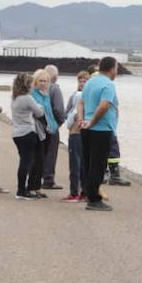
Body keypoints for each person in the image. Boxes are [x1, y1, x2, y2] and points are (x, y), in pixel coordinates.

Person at [78, 56, 120, 212]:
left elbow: (81, 102)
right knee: (98, 165)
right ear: (112, 69)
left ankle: (89, 194)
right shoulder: (108, 84)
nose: (117, 72)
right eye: (116, 68)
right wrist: (93, 122)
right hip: (101, 130)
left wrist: (82, 119)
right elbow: (103, 106)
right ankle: (94, 199)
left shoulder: (90, 82)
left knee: (88, 163)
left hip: (86, 129)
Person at [10, 72, 46, 200]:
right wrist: (41, 105)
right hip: (27, 132)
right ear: (27, 85)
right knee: (27, 162)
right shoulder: (27, 98)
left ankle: (22, 188)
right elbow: (39, 112)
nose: (32, 86)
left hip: (17, 133)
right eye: (31, 83)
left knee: (23, 161)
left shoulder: (14, 97)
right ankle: (21, 190)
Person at [29, 69, 59, 196]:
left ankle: (37, 187)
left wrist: (55, 126)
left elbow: (50, 113)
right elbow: (37, 114)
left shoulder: (46, 94)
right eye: (40, 81)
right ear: (35, 81)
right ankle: (31, 186)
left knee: (42, 160)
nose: (43, 83)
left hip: (50, 130)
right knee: (36, 160)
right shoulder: (32, 94)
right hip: (38, 131)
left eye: (45, 81)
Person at [61, 70, 89, 202]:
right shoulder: (76, 95)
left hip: (77, 134)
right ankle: (84, 192)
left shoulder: (80, 96)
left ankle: (74, 193)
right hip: (81, 134)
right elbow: (67, 112)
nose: (82, 83)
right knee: (82, 164)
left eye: (85, 81)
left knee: (76, 164)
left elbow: (73, 116)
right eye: (80, 81)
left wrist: (71, 124)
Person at [40, 63, 67, 190]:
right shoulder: (54, 89)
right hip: (51, 125)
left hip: (38, 126)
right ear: (55, 77)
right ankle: (48, 180)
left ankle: (36, 177)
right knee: (51, 153)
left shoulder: (36, 87)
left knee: (39, 152)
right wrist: (60, 122)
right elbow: (58, 109)